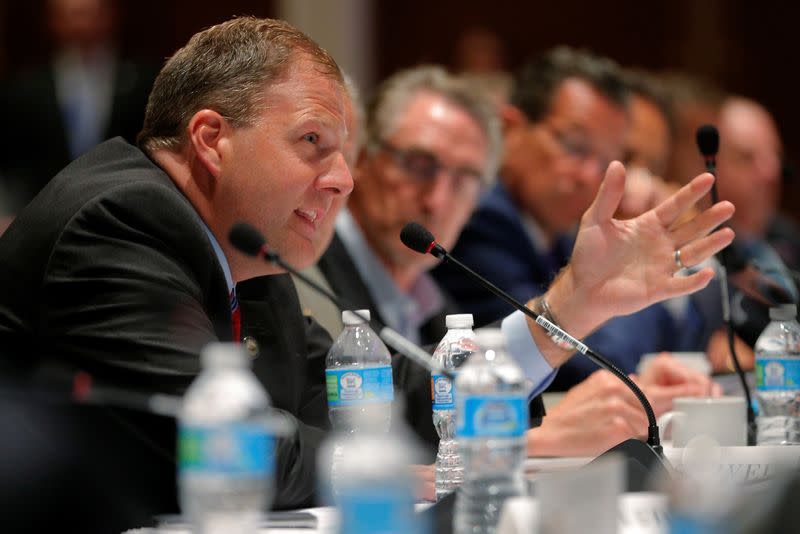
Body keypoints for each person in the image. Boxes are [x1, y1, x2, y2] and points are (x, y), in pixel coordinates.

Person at [0, 17, 733, 532]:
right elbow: (236, 450)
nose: (342, 179)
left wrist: (570, 307)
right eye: (313, 142)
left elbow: (384, 404)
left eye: (344, 151)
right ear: (212, 140)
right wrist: (402, 466)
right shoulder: (124, 221)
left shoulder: (245, 254)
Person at [298, 65, 722, 465]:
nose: (437, 200)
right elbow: (328, 435)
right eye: (419, 165)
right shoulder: (300, 275)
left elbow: (415, 408)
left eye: (464, 178)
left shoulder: (431, 299)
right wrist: (539, 435)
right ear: (364, 160)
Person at [433, 48, 717, 390]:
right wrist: (629, 258)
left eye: (606, 160)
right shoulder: (482, 223)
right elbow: (592, 364)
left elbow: (671, 348)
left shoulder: (556, 234)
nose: (589, 176)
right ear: (510, 129)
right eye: (575, 146)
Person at [0, 0, 157, 218]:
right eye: (72, 14)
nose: (80, 24)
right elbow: (13, 164)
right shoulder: (25, 87)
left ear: (109, 16)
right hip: (42, 214)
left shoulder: (144, 82)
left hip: (124, 212)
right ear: (53, 21)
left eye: (87, 13)